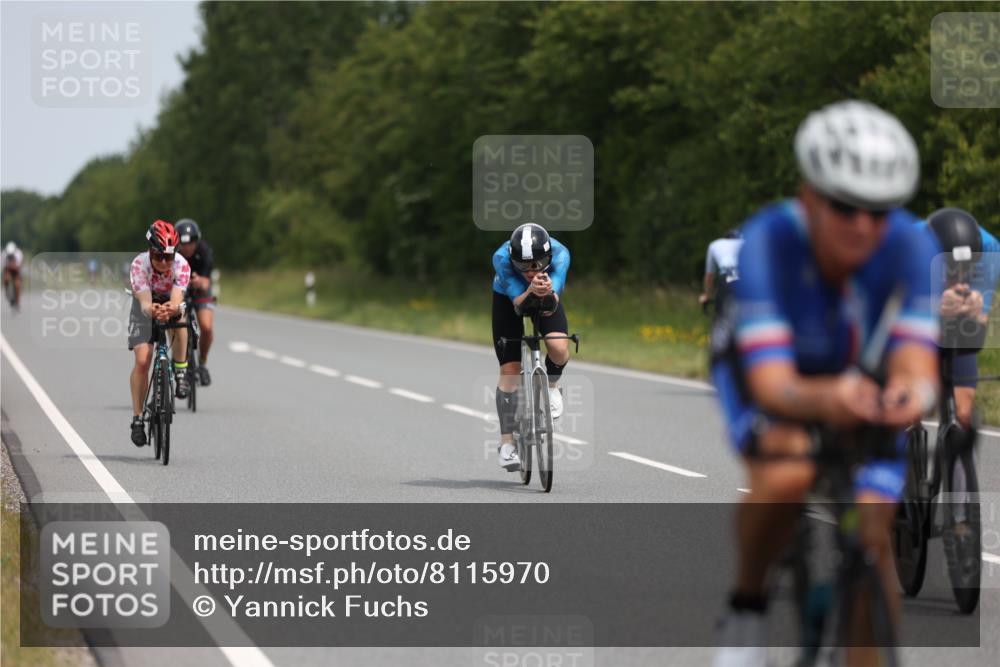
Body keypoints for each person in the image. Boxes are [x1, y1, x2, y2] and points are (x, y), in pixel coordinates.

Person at [710, 100, 939, 667]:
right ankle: (747, 605)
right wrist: (827, 399)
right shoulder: (769, 241)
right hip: (778, 370)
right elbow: (771, 383)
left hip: (861, 377)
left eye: (880, 211)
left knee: (871, 531)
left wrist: (910, 397)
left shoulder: (911, 247)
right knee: (787, 468)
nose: (863, 226)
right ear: (809, 195)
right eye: (844, 206)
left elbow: (915, 365)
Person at [492, 223, 571, 470]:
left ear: (548, 256)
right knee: (510, 370)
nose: (531, 270)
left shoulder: (561, 254)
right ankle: (506, 444)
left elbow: (553, 299)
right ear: (513, 259)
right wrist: (529, 289)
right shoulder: (501, 258)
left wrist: (546, 290)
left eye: (537, 263)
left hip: (546, 293)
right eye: (523, 265)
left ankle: (553, 386)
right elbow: (518, 303)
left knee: (558, 347)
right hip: (508, 298)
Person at [921, 207, 1000, 430]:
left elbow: (980, 326)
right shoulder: (909, 245)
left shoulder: (990, 251)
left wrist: (975, 309)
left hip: (960, 326)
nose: (958, 277)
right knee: (912, 406)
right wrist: (933, 306)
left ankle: (958, 455)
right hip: (916, 311)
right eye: (950, 269)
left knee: (964, 413)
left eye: (966, 269)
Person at [128, 221, 191, 446]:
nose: (164, 262)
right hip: (144, 306)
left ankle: (181, 370)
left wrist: (172, 308)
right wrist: (151, 309)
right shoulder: (139, 264)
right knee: (143, 360)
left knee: (181, 318)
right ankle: (137, 419)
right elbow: (145, 302)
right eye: (158, 256)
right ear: (149, 251)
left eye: (169, 257)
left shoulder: (182, 265)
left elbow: (176, 298)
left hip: (169, 303)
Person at [175, 218, 216, 386]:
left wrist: (199, 282)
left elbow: (207, 281)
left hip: (199, 290)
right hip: (179, 290)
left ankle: (203, 363)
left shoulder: (204, 251)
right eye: (183, 244)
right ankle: (178, 361)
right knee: (177, 325)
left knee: (206, 327)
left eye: (191, 242)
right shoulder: (172, 254)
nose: (187, 247)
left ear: (197, 241)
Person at [699, 228, 743, 316]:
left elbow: (709, 276)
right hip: (746, 274)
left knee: (722, 314)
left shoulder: (715, 244)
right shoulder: (746, 241)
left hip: (729, 272)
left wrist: (707, 296)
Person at [2, 241, 24, 308]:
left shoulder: (19, 254)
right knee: (6, 278)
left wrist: (12, 265)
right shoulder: (4, 254)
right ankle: (7, 291)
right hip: (7, 269)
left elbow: (19, 266)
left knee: (17, 285)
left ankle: (17, 302)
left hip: (16, 270)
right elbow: (3, 266)